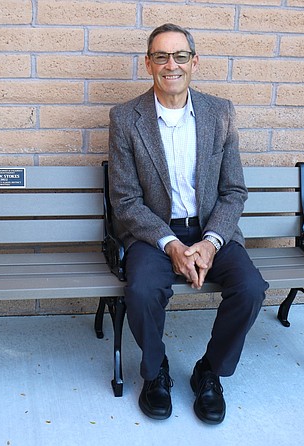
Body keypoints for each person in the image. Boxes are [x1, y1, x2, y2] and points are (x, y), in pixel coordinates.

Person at [107, 23, 269, 425]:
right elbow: (125, 200)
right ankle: (155, 370)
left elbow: (234, 191)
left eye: (180, 56)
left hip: (212, 229)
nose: (171, 65)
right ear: (148, 64)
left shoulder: (221, 113)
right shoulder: (126, 118)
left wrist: (210, 243)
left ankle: (209, 372)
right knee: (142, 289)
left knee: (250, 289)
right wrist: (172, 245)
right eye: (161, 56)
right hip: (153, 233)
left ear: (194, 62)